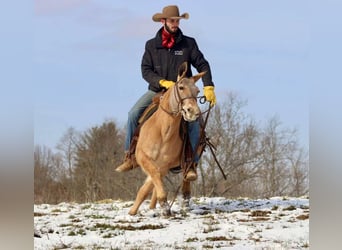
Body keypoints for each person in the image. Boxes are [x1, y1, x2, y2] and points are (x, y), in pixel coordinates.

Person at [115, 5, 216, 181]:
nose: (175, 24)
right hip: (158, 91)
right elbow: (146, 70)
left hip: (184, 93)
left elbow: (203, 65)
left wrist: (209, 86)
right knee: (133, 114)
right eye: (172, 21)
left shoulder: (188, 43)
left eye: (177, 21)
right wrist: (161, 82)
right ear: (163, 22)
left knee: (193, 123)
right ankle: (130, 156)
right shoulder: (151, 45)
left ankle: (190, 164)